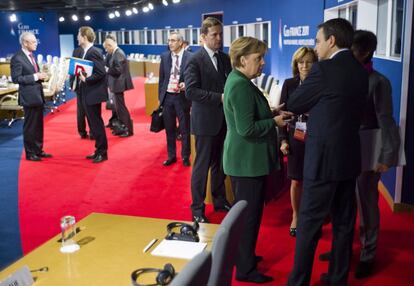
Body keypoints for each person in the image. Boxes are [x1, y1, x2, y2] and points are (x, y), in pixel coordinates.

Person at [286, 18, 368, 286]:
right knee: (344, 223)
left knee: (309, 224)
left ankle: (298, 282)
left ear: (331, 41)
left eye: (318, 41)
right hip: (349, 159)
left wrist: (315, 102)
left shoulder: (324, 70)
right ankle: (336, 279)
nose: (316, 47)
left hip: (323, 161)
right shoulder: (359, 69)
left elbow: (296, 102)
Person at [224, 36, 289, 284]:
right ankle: (245, 269)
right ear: (242, 60)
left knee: (249, 216)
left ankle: (245, 257)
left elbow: (249, 115)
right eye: (258, 58)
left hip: (246, 160)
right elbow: (247, 128)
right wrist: (274, 122)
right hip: (246, 162)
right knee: (249, 218)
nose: (263, 63)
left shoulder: (240, 80)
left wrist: (272, 111)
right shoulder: (240, 85)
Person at [184, 17, 232, 223]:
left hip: (224, 121)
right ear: (203, 36)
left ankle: (220, 200)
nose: (219, 38)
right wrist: (219, 97)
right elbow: (191, 91)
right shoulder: (194, 60)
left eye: (221, 34)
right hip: (205, 123)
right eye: (214, 35)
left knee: (220, 165)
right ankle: (197, 208)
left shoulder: (225, 58)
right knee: (201, 167)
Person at [279, 47, 317, 237]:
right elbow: (282, 116)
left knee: (314, 180)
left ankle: (312, 216)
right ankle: (296, 215)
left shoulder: (321, 83)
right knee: (296, 180)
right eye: (301, 62)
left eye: (309, 62)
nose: (304, 66)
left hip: (317, 139)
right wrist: (283, 140)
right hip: (295, 138)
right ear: (296, 64)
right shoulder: (289, 84)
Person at [10, 31, 52, 161]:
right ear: (25, 43)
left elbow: (33, 75)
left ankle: (38, 150)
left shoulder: (32, 56)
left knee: (38, 125)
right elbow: (16, 78)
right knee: (30, 126)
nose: (36, 44)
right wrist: (35, 76)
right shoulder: (17, 58)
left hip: (37, 95)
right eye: (33, 42)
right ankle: (30, 153)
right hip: (28, 97)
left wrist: (40, 77)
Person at [158, 31, 191, 166]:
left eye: (173, 40)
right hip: (168, 98)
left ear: (180, 43)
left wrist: (186, 84)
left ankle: (185, 156)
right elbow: (162, 79)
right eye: (169, 40)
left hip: (182, 97)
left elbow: (194, 77)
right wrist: (161, 98)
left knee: (184, 129)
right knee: (169, 129)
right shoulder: (165, 57)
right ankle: (171, 156)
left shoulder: (190, 57)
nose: (170, 43)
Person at [77, 26, 109, 163]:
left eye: (78, 35)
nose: (77, 37)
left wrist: (86, 79)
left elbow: (101, 72)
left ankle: (102, 152)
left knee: (96, 124)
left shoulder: (93, 52)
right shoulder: (86, 51)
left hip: (93, 93)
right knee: (93, 124)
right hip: (87, 92)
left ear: (84, 37)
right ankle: (98, 150)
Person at [104, 34, 134, 137]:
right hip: (115, 84)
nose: (106, 49)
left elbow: (118, 70)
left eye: (106, 47)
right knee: (117, 107)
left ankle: (128, 130)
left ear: (110, 45)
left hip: (118, 84)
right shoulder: (114, 53)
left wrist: (107, 69)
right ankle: (120, 126)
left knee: (121, 108)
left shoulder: (119, 53)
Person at [70, 46, 93, 140]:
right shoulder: (92, 51)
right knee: (90, 111)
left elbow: (72, 69)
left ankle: (82, 132)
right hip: (88, 84)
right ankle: (92, 132)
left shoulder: (76, 50)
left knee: (81, 110)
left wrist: (72, 84)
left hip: (78, 85)